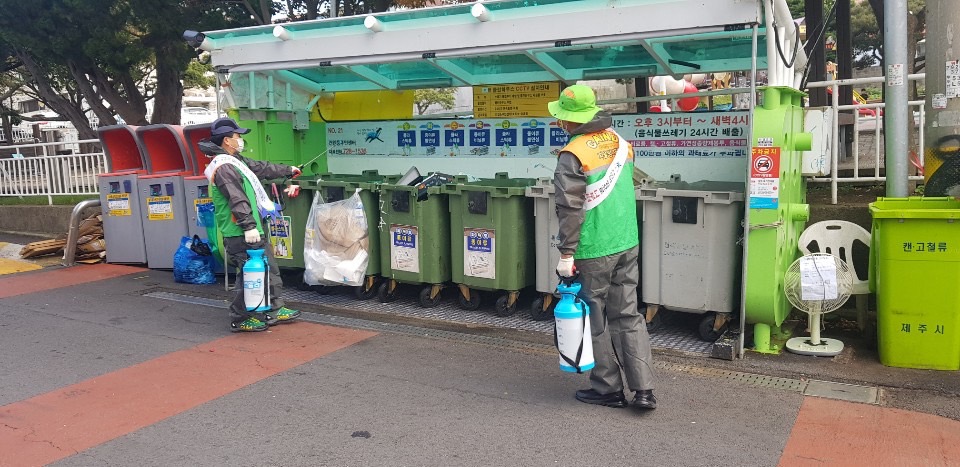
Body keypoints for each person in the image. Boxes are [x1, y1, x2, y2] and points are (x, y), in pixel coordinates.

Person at [549, 85, 657, 410]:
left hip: (594, 248)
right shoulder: (619, 142)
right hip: (627, 241)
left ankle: (608, 388)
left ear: (568, 120)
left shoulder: (573, 154)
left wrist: (566, 254)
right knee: (628, 313)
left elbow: (570, 209)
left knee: (594, 315)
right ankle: (644, 390)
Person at [198, 117, 303, 332]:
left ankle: (274, 308)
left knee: (268, 269)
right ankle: (240, 317)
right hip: (240, 232)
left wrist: (287, 170)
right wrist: (248, 226)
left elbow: (261, 168)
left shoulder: (236, 161)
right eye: (237, 136)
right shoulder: (224, 167)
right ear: (227, 140)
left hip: (251, 227)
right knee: (249, 274)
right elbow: (237, 199)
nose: (240, 139)